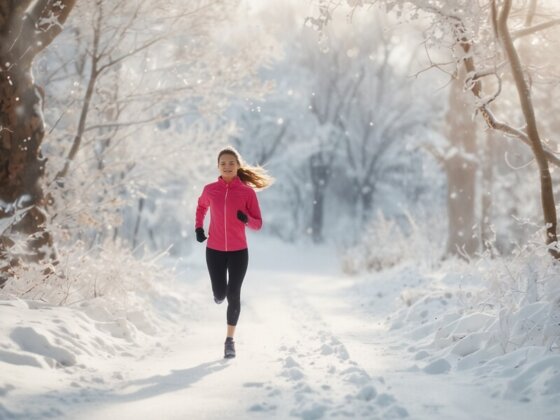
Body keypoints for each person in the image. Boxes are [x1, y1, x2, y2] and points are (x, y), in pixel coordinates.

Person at [195, 146, 273, 358]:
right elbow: (201, 207)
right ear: (218, 167)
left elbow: (258, 224)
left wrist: (246, 219)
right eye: (223, 164)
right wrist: (198, 227)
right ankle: (219, 294)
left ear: (238, 166)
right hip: (215, 250)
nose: (227, 167)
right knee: (220, 294)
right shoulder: (210, 190)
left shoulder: (247, 193)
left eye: (231, 163)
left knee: (234, 294)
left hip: (239, 252)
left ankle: (229, 340)